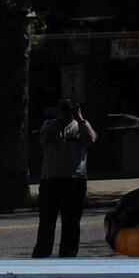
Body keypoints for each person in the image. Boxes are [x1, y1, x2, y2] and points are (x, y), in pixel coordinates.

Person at [33, 99, 97, 258]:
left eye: (69, 109)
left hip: (75, 181)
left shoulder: (81, 125)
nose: (67, 112)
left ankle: (68, 255)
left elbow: (91, 140)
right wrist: (59, 122)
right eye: (64, 108)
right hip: (51, 181)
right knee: (47, 222)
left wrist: (80, 118)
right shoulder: (49, 124)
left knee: (72, 222)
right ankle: (42, 255)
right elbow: (45, 140)